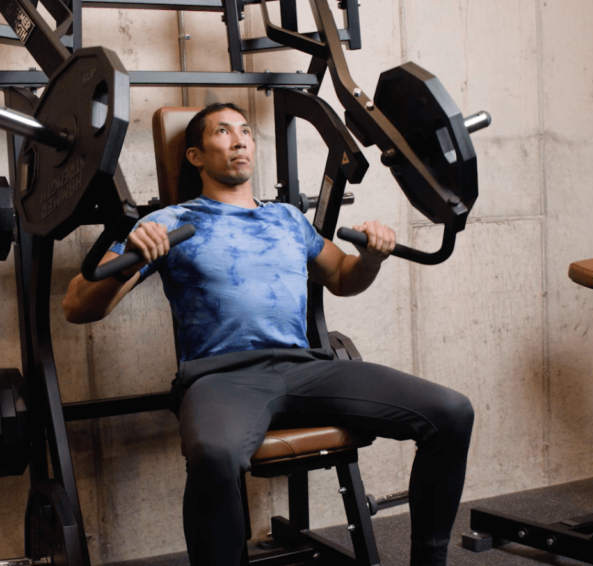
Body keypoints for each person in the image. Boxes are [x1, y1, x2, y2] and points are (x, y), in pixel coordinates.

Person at [63, 103, 473, 566]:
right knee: (215, 455)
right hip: (221, 377)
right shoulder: (170, 222)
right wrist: (135, 258)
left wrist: (372, 258)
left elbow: (342, 277)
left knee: (451, 412)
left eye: (245, 131)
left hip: (305, 368)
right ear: (196, 156)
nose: (240, 140)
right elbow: (77, 307)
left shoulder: (288, 219)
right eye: (223, 132)